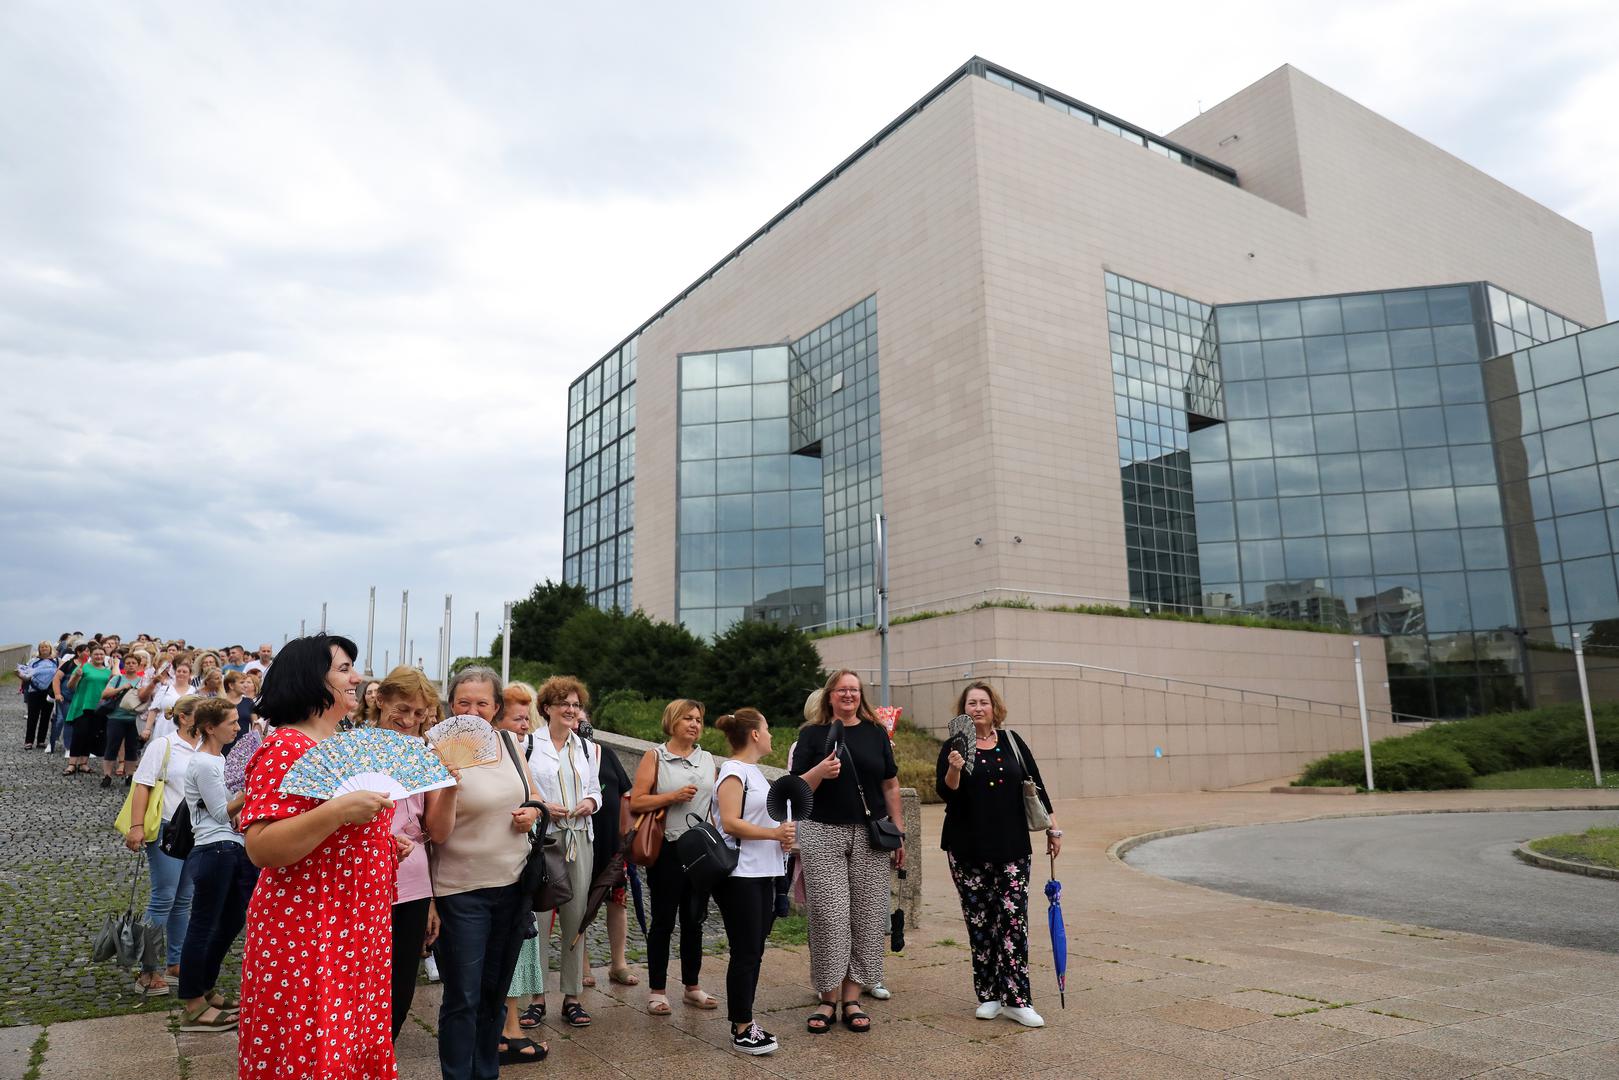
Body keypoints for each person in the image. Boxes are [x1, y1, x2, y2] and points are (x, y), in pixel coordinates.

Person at [237, 633, 399, 1079]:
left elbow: (332, 839)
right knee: (310, 1052)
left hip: (354, 930)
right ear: (312, 680)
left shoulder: (339, 746)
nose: (357, 677)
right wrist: (340, 811)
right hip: (309, 932)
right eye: (344, 669)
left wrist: (381, 844)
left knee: (346, 1049)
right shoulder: (287, 747)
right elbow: (261, 846)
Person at [424, 666, 541, 1078]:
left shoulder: (509, 742)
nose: (472, 711)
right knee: (463, 996)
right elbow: (434, 833)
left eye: (482, 703)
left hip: (512, 886)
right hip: (460, 890)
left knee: (494, 993)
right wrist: (450, 787)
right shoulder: (434, 750)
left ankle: (486, 1071)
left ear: (496, 708)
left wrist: (533, 813)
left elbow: (535, 798)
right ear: (450, 705)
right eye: (463, 702)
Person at [938, 681, 1061, 1028]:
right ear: (963, 710)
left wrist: (1053, 827)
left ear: (995, 708)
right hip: (967, 848)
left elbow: (1035, 784)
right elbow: (946, 792)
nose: (977, 708)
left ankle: (1017, 999)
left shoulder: (1012, 742)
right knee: (980, 923)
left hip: (1012, 847)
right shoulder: (954, 745)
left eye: (983, 703)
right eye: (971, 703)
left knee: (1012, 922)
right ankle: (989, 994)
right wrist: (955, 767)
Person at [791, 669, 904, 1035]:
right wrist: (821, 770)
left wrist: (899, 831)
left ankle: (853, 997)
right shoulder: (811, 736)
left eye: (854, 690)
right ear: (829, 695)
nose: (849, 696)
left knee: (868, 917)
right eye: (842, 690)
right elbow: (796, 788)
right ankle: (827, 997)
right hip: (822, 831)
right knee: (829, 916)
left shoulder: (875, 734)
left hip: (870, 834)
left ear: (861, 696)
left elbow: (890, 784)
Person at [628, 698, 719, 1017]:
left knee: (695, 920)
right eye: (688, 719)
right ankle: (657, 991)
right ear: (673, 722)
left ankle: (692, 987)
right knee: (664, 921)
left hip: (700, 852)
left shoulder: (708, 758)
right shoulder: (656, 756)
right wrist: (672, 797)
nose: (694, 724)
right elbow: (636, 802)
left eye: (698, 719)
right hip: (668, 848)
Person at [713, 709, 793, 1055]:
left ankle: (744, 1020)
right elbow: (730, 823)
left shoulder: (755, 773)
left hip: (763, 872)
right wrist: (773, 832)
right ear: (755, 735)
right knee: (745, 952)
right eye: (768, 727)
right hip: (741, 875)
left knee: (754, 951)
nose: (772, 734)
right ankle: (742, 1027)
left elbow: (758, 823)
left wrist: (781, 839)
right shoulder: (733, 771)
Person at [176, 697, 258, 1032]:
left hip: (228, 848)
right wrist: (255, 790)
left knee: (229, 921)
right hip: (215, 849)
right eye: (232, 723)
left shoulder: (217, 760)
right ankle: (194, 1004)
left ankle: (205, 988)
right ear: (211, 727)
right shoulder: (206, 763)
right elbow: (222, 812)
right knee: (204, 926)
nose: (238, 728)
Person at [372, 664, 442, 1040]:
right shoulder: (355, 747)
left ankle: (383, 1054)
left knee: (400, 987)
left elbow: (429, 828)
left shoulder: (424, 754)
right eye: (402, 708)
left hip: (412, 878)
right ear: (381, 700)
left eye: (418, 713)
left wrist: (430, 897)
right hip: (363, 876)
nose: (409, 719)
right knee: (362, 981)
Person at [526, 676, 601, 1029]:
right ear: (547, 708)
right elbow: (522, 790)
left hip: (579, 839)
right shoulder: (528, 744)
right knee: (538, 919)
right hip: (543, 841)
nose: (571, 710)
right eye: (564, 704)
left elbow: (594, 790)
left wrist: (589, 802)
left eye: (575, 704)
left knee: (576, 915)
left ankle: (572, 996)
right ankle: (535, 998)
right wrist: (542, 806)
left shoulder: (587, 748)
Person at [125, 694, 203, 995]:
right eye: (201, 714)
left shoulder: (207, 747)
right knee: (163, 898)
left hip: (196, 831)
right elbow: (142, 785)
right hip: (167, 829)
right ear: (183, 717)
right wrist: (136, 826)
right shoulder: (164, 745)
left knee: (184, 899)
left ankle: (175, 962)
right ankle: (147, 970)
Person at [495, 681, 548, 1056]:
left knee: (518, 945)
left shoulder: (518, 751)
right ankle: (505, 1031)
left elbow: (536, 799)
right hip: (490, 867)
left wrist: (533, 810)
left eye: (527, 717)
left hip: (519, 865)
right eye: (518, 717)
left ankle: (510, 1026)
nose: (524, 724)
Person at [579, 710, 637, 991]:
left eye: (583, 717)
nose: (580, 723)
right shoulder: (562, 756)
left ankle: (619, 964)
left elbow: (626, 792)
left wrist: (625, 835)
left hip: (611, 846)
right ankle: (583, 964)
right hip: (579, 844)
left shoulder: (607, 754)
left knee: (617, 903)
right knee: (581, 906)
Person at [63, 643, 114, 776]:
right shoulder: (83, 667)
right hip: (83, 705)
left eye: (101, 654)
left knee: (91, 735)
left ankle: (84, 763)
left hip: (99, 707)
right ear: (91, 655)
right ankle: (72, 764)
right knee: (79, 734)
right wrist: (76, 676)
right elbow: (70, 686)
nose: (99, 656)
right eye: (96, 654)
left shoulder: (108, 672)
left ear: (105, 656)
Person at [101, 649, 149, 787]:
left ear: (139, 665)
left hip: (134, 718)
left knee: (132, 748)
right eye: (128, 663)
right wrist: (121, 688)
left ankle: (130, 775)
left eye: (134, 663)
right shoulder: (117, 679)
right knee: (111, 746)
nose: (131, 665)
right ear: (124, 665)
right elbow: (104, 694)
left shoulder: (142, 681)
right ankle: (107, 775)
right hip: (116, 717)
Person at [142, 659, 195, 741]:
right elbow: (154, 710)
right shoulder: (165, 689)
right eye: (179, 671)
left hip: (185, 728)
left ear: (189, 674)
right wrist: (147, 729)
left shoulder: (194, 691)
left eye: (184, 672)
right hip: (164, 727)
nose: (181, 673)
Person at [49, 641, 88, 754]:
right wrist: (57, 694)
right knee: (68, 721)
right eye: (85, 651)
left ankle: (81, 747)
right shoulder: (68, 664)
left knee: (81, 723)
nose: (88, 653)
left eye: (89, 651)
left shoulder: (90, 665)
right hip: (66, 697)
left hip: (82, 699)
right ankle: (68, 747)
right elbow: (56, 679)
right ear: (78, 652)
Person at [21, 642, 57, 749]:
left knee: (46, 717)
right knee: (32, 717)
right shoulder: (33, 661)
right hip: (34, 691)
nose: (44, 649)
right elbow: (26, 676)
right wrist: (20, 675)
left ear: (50, 649)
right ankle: (29, 741)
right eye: (42, 647)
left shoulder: (56, 661)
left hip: (49, 692)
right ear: (39, 649)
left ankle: (41, 741)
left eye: (46, 647)